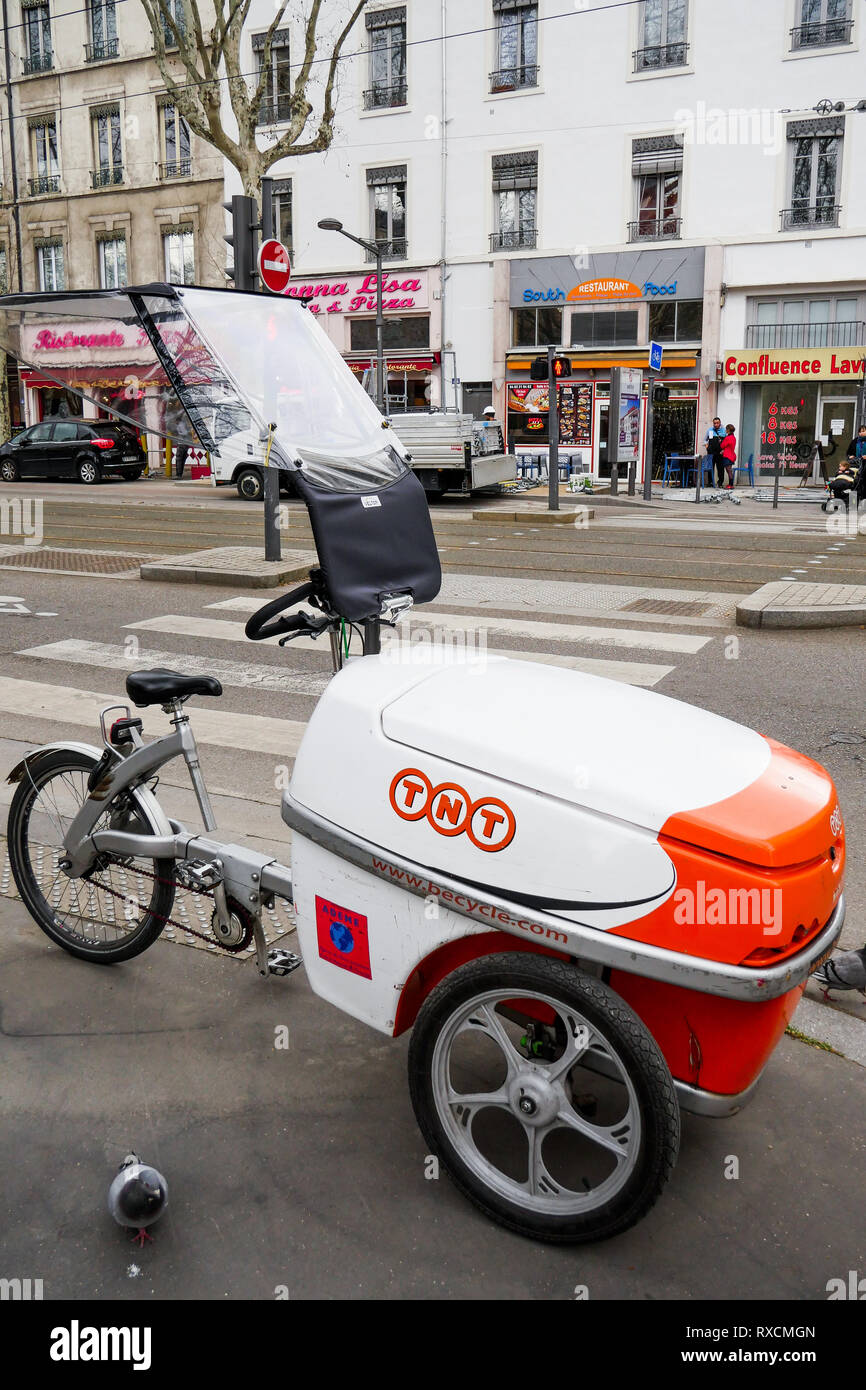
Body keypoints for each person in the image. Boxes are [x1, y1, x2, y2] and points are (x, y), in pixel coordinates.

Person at [704, 417, 725, 488]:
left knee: (720, 468)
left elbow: (726, 442)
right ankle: (710, 482)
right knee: (710, 467)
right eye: (714, 423)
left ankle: (720, 482)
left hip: (720, 452)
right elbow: (705, 440)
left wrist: (724, 450)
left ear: (720, 423)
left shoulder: (724, 430)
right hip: (711, 452)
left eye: (717, 423)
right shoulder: (710, 430)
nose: (716, 424)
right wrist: (707, 447)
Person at [720, 424, 737, 489]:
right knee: (729, 470)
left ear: (728, 430)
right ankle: (730, 484)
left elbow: (722, 446)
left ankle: (731, 485)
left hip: (727, 456)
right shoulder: (733, 437)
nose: (725, 430)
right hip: (732, 455)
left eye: (726, 429)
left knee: (729, 470)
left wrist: (721, 441)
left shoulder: (727, 438)